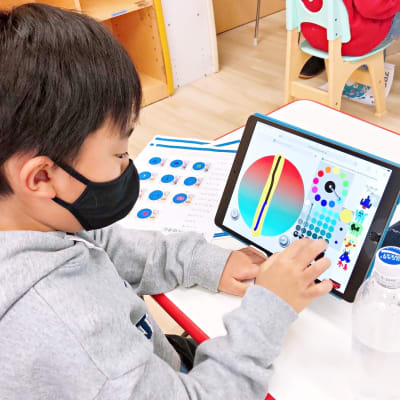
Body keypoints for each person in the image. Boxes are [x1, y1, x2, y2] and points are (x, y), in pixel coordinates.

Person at [0, 4, 333, 399]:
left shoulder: (28, 219)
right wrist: (269, 309)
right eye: (119, 153)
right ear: (41, 177)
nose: (127, 165)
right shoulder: (72, 332)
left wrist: (205, 262)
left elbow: (102, 243)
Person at [299, 0, 400, 78]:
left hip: (316, 34)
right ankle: (365, 71)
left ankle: (322, 57)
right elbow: (372, 8)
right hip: (350, 41)